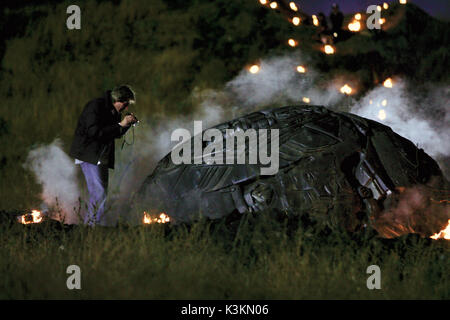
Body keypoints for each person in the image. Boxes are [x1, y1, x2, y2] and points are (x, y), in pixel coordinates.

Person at [69, 85, 138, 226]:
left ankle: (96, 225)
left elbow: (115, 133)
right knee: (98, 193)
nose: (126, 108)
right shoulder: (95, 107)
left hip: (101, 156)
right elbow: (94, 132)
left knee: (102, 194)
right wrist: (120, 124)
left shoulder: (113, 111)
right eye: (125, 104)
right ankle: (93, 227)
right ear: (118, 99)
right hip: (89, 155)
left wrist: (126, 125)